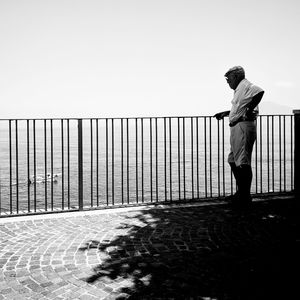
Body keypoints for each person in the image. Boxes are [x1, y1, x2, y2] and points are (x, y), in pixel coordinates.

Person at [214, 66, 264, 209]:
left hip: (243, 127)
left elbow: (260, 91)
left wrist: (248, 111)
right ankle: (241, 192)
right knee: (233, 160)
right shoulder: (240, 89)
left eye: (228, 79)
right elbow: (239, 108)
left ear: (236, 76)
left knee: (243, 163)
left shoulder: (246, 85)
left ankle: (244, 196)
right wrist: (225, 113)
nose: (227, 82)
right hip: (238, 127)